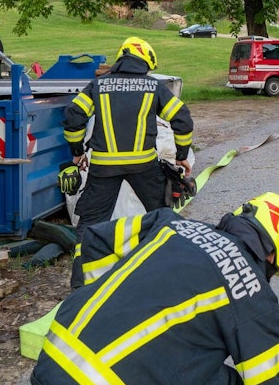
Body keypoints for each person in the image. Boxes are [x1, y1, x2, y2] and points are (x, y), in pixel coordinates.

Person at [31, 193, 279, 385]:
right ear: (272, 254)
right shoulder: (252, 292)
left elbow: (95, 240)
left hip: (58, 354)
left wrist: (94, 314)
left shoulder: (170, 224)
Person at [62, 36, 194, 286]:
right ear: (146, 61)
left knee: (90, 226)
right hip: (144, 167)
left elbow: (74, 116)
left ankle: (81, 286)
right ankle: (172, 276)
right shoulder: (153, 87)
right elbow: (182, 118)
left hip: (103, 168)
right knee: (162, 216)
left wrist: (77, 150)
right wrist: (181, 156)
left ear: (122, 58)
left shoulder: (98, 85)